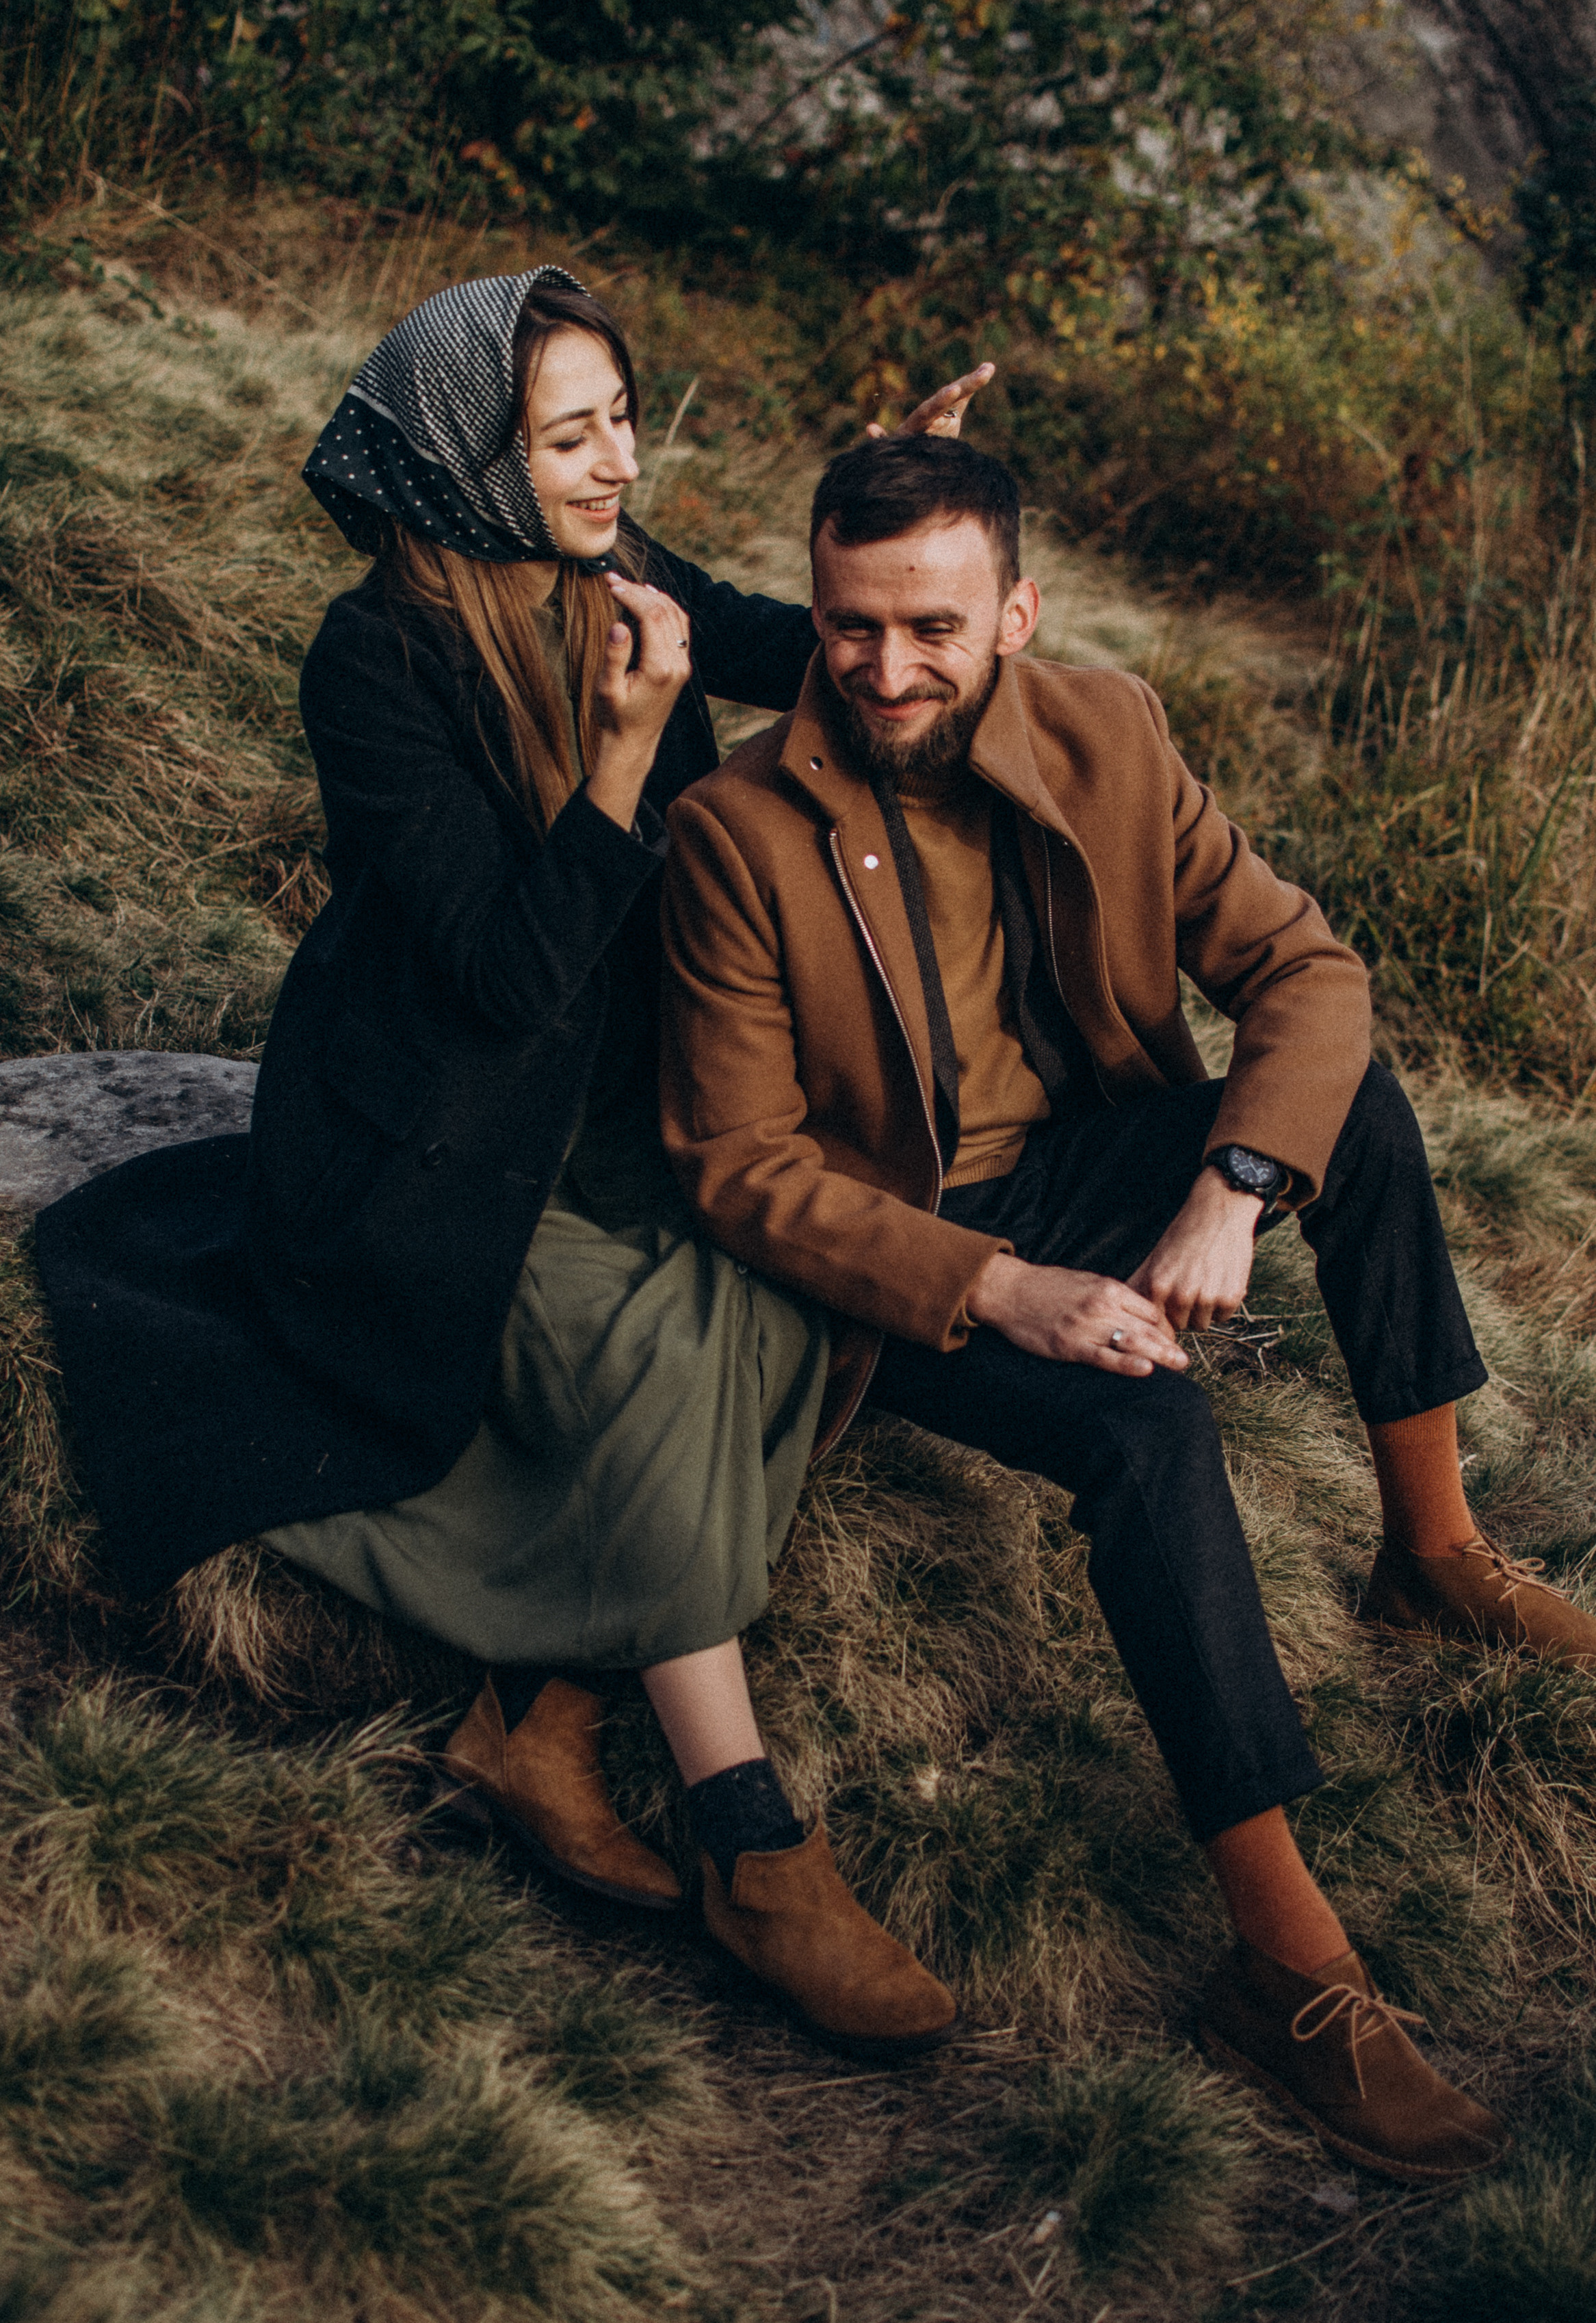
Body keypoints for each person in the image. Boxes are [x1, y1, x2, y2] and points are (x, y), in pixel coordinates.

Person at [34, 269, 991, 2061]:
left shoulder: (623, 582)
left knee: (788, 1301)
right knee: (657, 1345)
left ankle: (537, 1721)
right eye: (568, 433)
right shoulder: (375, 658)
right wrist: (624, 758)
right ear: (475, 458)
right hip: (425, 1152)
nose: (616, 456)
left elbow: (793, 657)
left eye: (620, 414)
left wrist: (896, 509)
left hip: (618, 1109)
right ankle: (751, 1836)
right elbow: (492, 975)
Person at [658, 432, 1596, 2179]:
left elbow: (1306, 969)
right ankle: (1293, 1971)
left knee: (1350, 1101)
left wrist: (1231, 1191)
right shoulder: (737, 828)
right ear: (815, 606)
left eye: (931, 626)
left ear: (1016, 610)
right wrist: (1006, 1290)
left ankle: (1434, 1554)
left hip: (1092, 1160)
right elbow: (738, 1165)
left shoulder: (1114, 731)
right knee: (1149, 1428)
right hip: (910, 1247)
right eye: (852, 625)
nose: (885, 668)